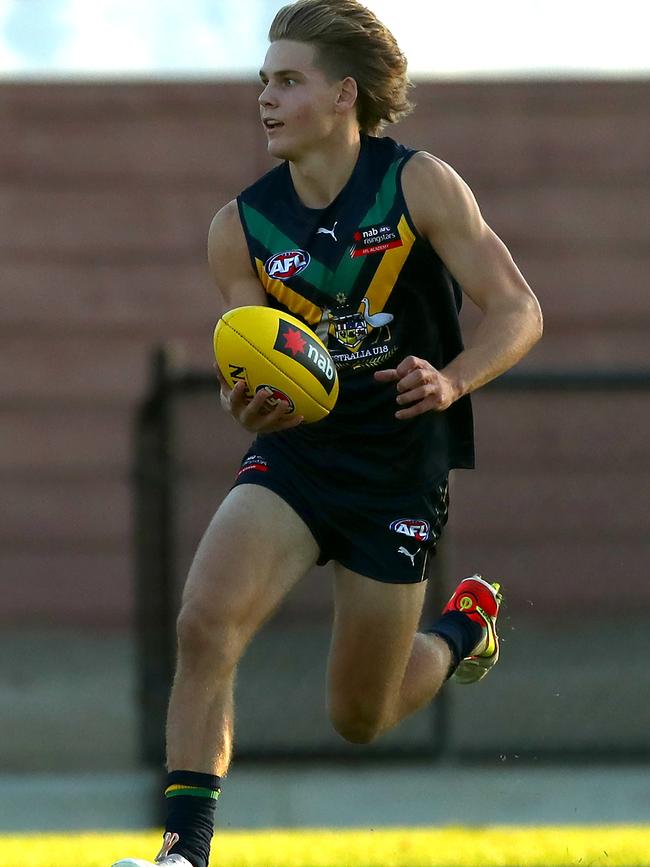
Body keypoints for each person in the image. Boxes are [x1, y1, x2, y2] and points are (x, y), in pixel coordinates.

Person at [113, 1, 542, 865]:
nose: (265, 98)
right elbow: (258, 362)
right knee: (204, 624)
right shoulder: (238, 229)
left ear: (344, 95)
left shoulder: (418, 184)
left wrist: (452, 377)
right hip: (299, 458)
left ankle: (464, 628)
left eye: (286, 80)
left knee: (360, 716)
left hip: (398, 471)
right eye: (261, 81)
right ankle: (182, 852)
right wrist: (250, 405)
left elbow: (518, 310)